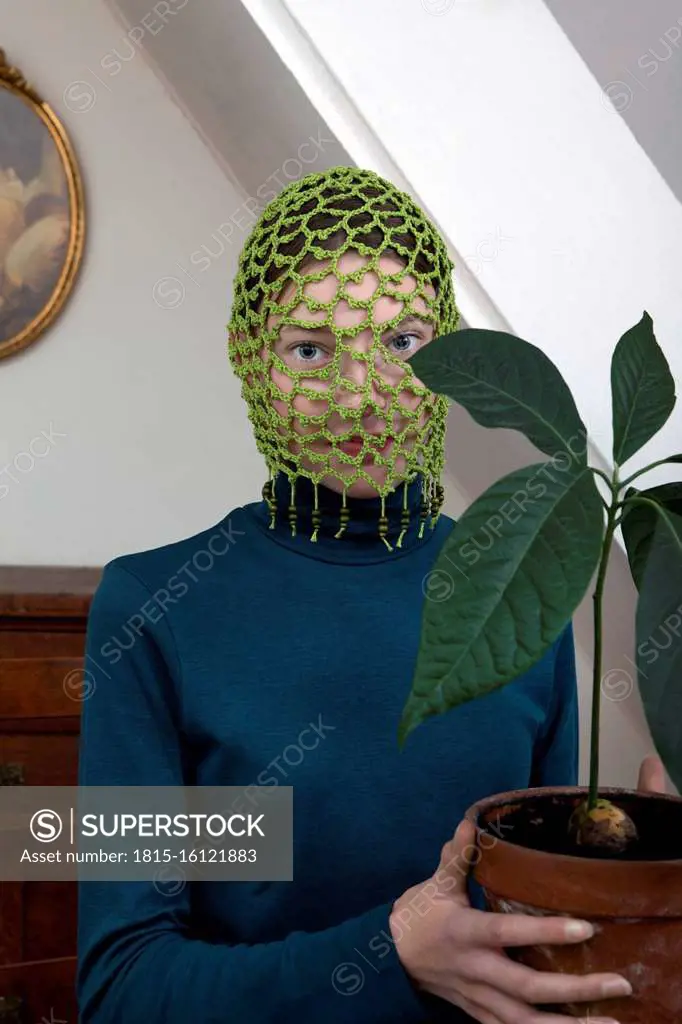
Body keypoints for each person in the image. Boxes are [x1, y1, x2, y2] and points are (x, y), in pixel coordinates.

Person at [76, 166, 665, 1023]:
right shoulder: (152, 607)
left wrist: (646, 881)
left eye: (403, 346)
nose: (361, 397)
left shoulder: (523, 583)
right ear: (251, 364)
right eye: (310, 349)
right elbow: (122, 988)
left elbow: (535, 933)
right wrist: (392, 955)